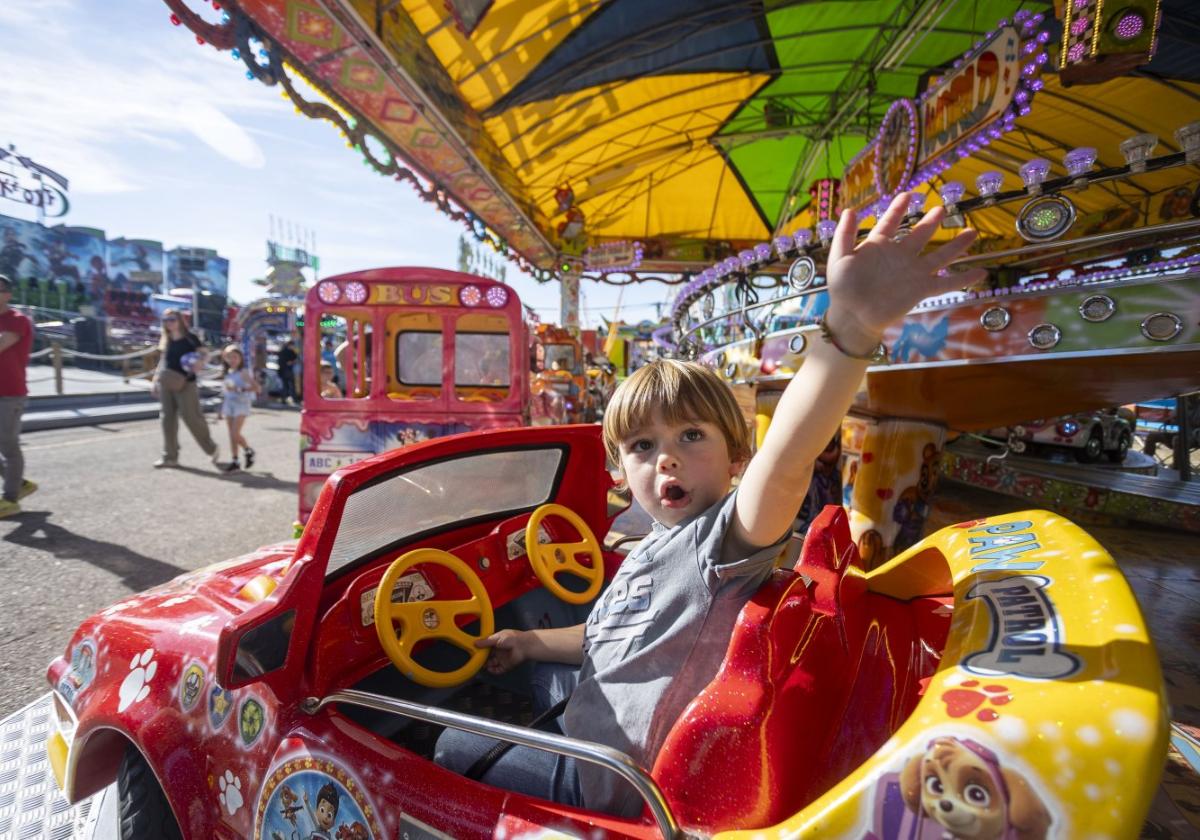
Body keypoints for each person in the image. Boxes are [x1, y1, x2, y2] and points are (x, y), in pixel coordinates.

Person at [433, 192, 986, 816]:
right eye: (644, 445)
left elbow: (787, 462)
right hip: (604, 738)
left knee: (449, 740)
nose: (666, 458)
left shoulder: (718, 545)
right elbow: (612, 638)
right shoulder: (658, 547)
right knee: (534, 675)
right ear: (619, 473)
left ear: (736, 461)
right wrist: (531, 644)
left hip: (610, 780)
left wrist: (849, 332)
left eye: (690, 437)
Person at [152, 308, 221, 469]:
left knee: (191, 418)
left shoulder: (191, 338)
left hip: (186, 383)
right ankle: (170, 456)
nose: (169, 323)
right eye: (166, 320)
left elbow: (206, 354)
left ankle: (211, 448)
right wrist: (155, 380)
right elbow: (163, 362)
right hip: (167, 382)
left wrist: (201, 363)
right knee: (167, 420)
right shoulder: (166, 339)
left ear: (180, 320)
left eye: (172, 319)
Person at [0, 273, 37, 518]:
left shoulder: (17, 319)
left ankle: (10, 498)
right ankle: (19, 484)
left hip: (9, 393)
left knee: (8, 446)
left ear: (8, 294)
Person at [219, 344, 257, 471]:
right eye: (229, 357)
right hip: (229, 404)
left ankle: (248, 450)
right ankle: (235, 460)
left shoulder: (244, 372)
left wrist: (238, 388)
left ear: (240, 358)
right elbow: (225, 392)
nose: (232, 360)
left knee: (235, 434)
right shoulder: (227, 372)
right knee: (231, 435)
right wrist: (220, 409)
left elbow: (257, 388)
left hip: (241, 404)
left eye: (235, 357)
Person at [277, 337, 298, 404]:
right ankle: (292, 398)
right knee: (289, 385)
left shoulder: (283, 351)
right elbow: (293, 359)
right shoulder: (288, 352)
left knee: (285, 385)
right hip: (287, 370)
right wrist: (290, 362)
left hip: (283, 370)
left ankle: (284, 398)